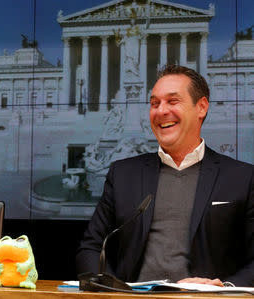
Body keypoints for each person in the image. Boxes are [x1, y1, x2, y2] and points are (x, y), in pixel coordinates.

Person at [76, 65, 253, 287]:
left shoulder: (242, 178)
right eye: (154, 103)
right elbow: (91, 248)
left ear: (201, 107)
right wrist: (114, 291)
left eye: (172, 101)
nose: (161, 111)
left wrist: (224, 289)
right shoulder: (123, 174)